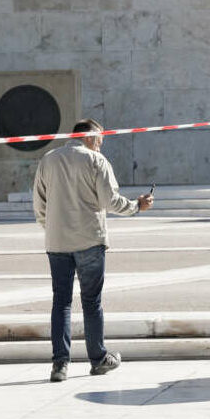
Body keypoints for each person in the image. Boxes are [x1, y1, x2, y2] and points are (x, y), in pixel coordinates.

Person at [33, 118, 154, 382]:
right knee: (91, 302)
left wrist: (52, 227)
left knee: (61, 302)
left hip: (57, 243)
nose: (101, 145)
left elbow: (39, 203)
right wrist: (137, 206)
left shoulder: (49, 159)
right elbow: (110, 201)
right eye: (100, 139)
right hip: (89, 241)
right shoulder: (97, 161)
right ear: (89, 137)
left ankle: (60, 365)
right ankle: (98, 358)